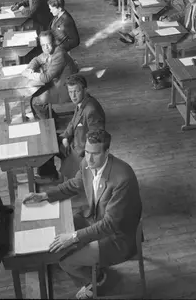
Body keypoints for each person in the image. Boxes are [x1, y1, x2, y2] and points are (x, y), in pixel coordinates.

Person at [22, 129, 142, 300]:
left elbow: (110, 225)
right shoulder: (87, 163)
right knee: (58, 234)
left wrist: (73, 237)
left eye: (95, 154)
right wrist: (45, 195)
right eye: (87, 152)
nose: (89, 159)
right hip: (95, 221)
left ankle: (97, 280)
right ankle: (93, 270)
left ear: (107, 152)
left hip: (117, 238)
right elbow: (74, 184)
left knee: (65, 260)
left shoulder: (123, 179)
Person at [58, 75, 106, 179]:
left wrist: (82, 156)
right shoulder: (82, 102)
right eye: (70, 92)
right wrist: (65, 137)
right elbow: (73, 122)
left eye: (76, 91)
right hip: (74, 144)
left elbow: (96, 139)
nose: (73, 96)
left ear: (85, 90)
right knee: (52, 142)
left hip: (82, 154)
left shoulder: (91, 110)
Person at [24, 31, 79, 121]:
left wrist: (30, 75)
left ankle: (50, 125)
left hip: (65, 89)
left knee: (35, 101)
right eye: (43, 45)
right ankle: (52, 119)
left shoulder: (59, 55)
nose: (46, 47)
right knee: (35, 95)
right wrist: (30, 69)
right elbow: (37, 60)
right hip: (57, 85)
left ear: (53, 42)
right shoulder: (49, 51)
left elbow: (46, 78)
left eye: (48, 44)